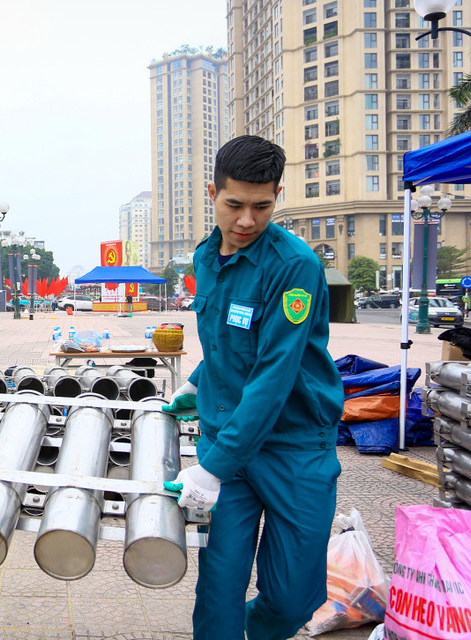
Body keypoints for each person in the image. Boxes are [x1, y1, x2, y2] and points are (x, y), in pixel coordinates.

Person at [160, 136, 344, 640]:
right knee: (218, 588)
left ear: (277, 195)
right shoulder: (205, 257)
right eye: (234, 204)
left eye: (262, 207)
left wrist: (212, 469)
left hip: (293, 445)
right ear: (212, 193)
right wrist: (198, 382)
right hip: (227, 438)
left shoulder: (293, 265)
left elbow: (274, 373)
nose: (246, 221)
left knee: (291, 601)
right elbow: (225, 341)